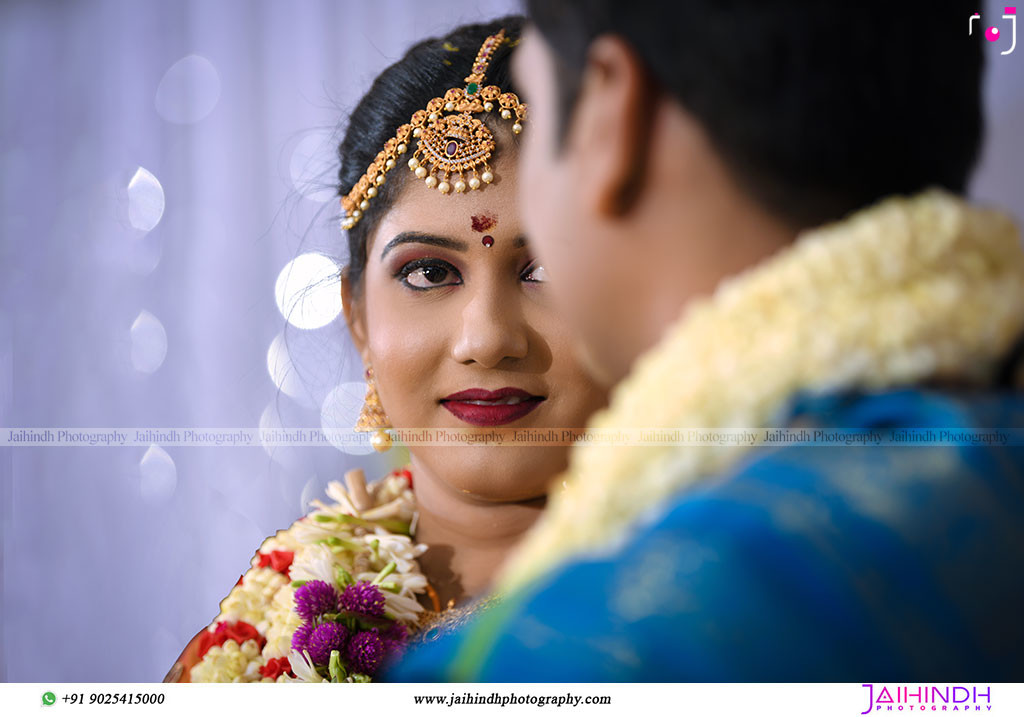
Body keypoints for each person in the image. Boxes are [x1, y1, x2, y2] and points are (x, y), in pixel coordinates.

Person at [387, 2, 1024, 681]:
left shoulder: (581, 655)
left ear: (610, 112)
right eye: (430, 272)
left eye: (541, 112)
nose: (487, 337)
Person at [163, 16, 607, 683]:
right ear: (358, 318)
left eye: (544, 268)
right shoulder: (258, 637)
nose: (486, 337)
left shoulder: (729, 602)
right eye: (429, 272)